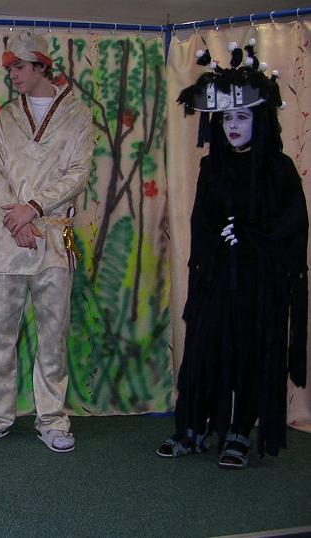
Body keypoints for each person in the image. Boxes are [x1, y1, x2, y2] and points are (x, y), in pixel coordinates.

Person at [157, 41, 308, 468]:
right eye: (226, 118)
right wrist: (218, 247)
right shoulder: (212, 167)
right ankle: (194, 428)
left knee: (250, 354)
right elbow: (202, 222)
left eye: (242, 116)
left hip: (259, 283)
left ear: (259, 119)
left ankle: (240, 430)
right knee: (204, 351)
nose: (233, 126)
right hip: (217, 279)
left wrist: (250, 236)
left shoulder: (279, 169)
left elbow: (294, 227)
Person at [0, 32, 93, 453]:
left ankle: (52, 418)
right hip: (7, 237)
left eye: (20, 67)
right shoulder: (5, 118)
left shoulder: (77, 115)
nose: (13, 75)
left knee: (53, 333)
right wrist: (15, 217)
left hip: (52, 236)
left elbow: (78, 172)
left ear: (41, 66)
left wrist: (33, 208)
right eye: (10, 69)